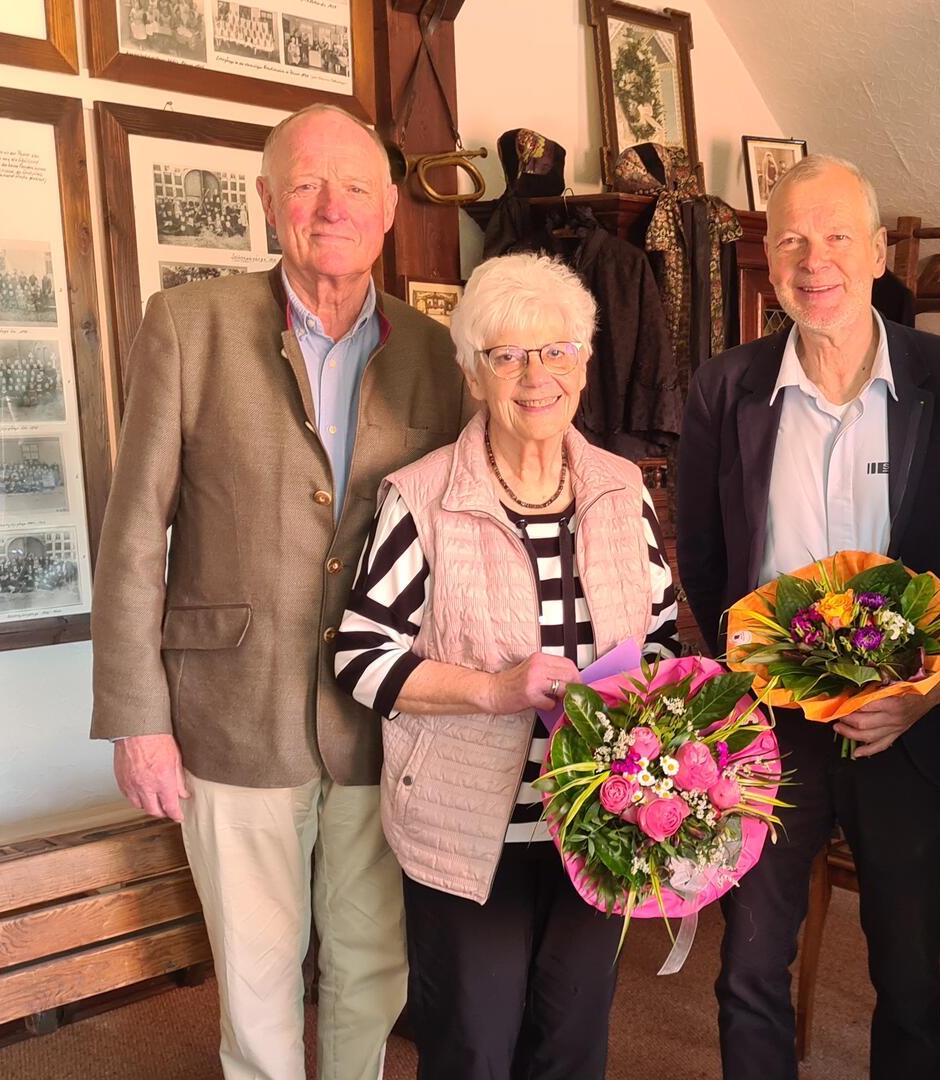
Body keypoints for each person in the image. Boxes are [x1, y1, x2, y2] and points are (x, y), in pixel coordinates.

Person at [90, 103, 469, 1080]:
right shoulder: (189, 324)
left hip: (383, 719)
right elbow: (135, 531)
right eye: (304, 184)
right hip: (228, 711)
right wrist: (139, 717)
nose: (329, 205)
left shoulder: (436, 354)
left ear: (389, 209)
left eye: (353, 186)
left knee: (371, 960)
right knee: (256, 973)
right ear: (267, 204)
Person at [675, 155, 940, 1080]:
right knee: (749, 960)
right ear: (768, 258)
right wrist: (751, 669)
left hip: (904, 725)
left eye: (833, 238)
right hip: (765, 727)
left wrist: (931, 693)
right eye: (789, 239)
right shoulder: (724, 388)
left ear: (875, 252)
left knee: (907, 965)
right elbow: (702, 557)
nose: (811, 261)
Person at [332, 252, 681, 1080]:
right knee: (474, 1050)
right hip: (468, 834)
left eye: (556, 351)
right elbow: (362, 659)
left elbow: (662, 628)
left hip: (599, 824)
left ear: (586, 364)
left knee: (571, 1043)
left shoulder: (621, 485)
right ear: (472, 370)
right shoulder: (421, 497)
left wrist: (652, 698)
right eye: (508, 355)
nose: (536, 376)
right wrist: (493, 689)